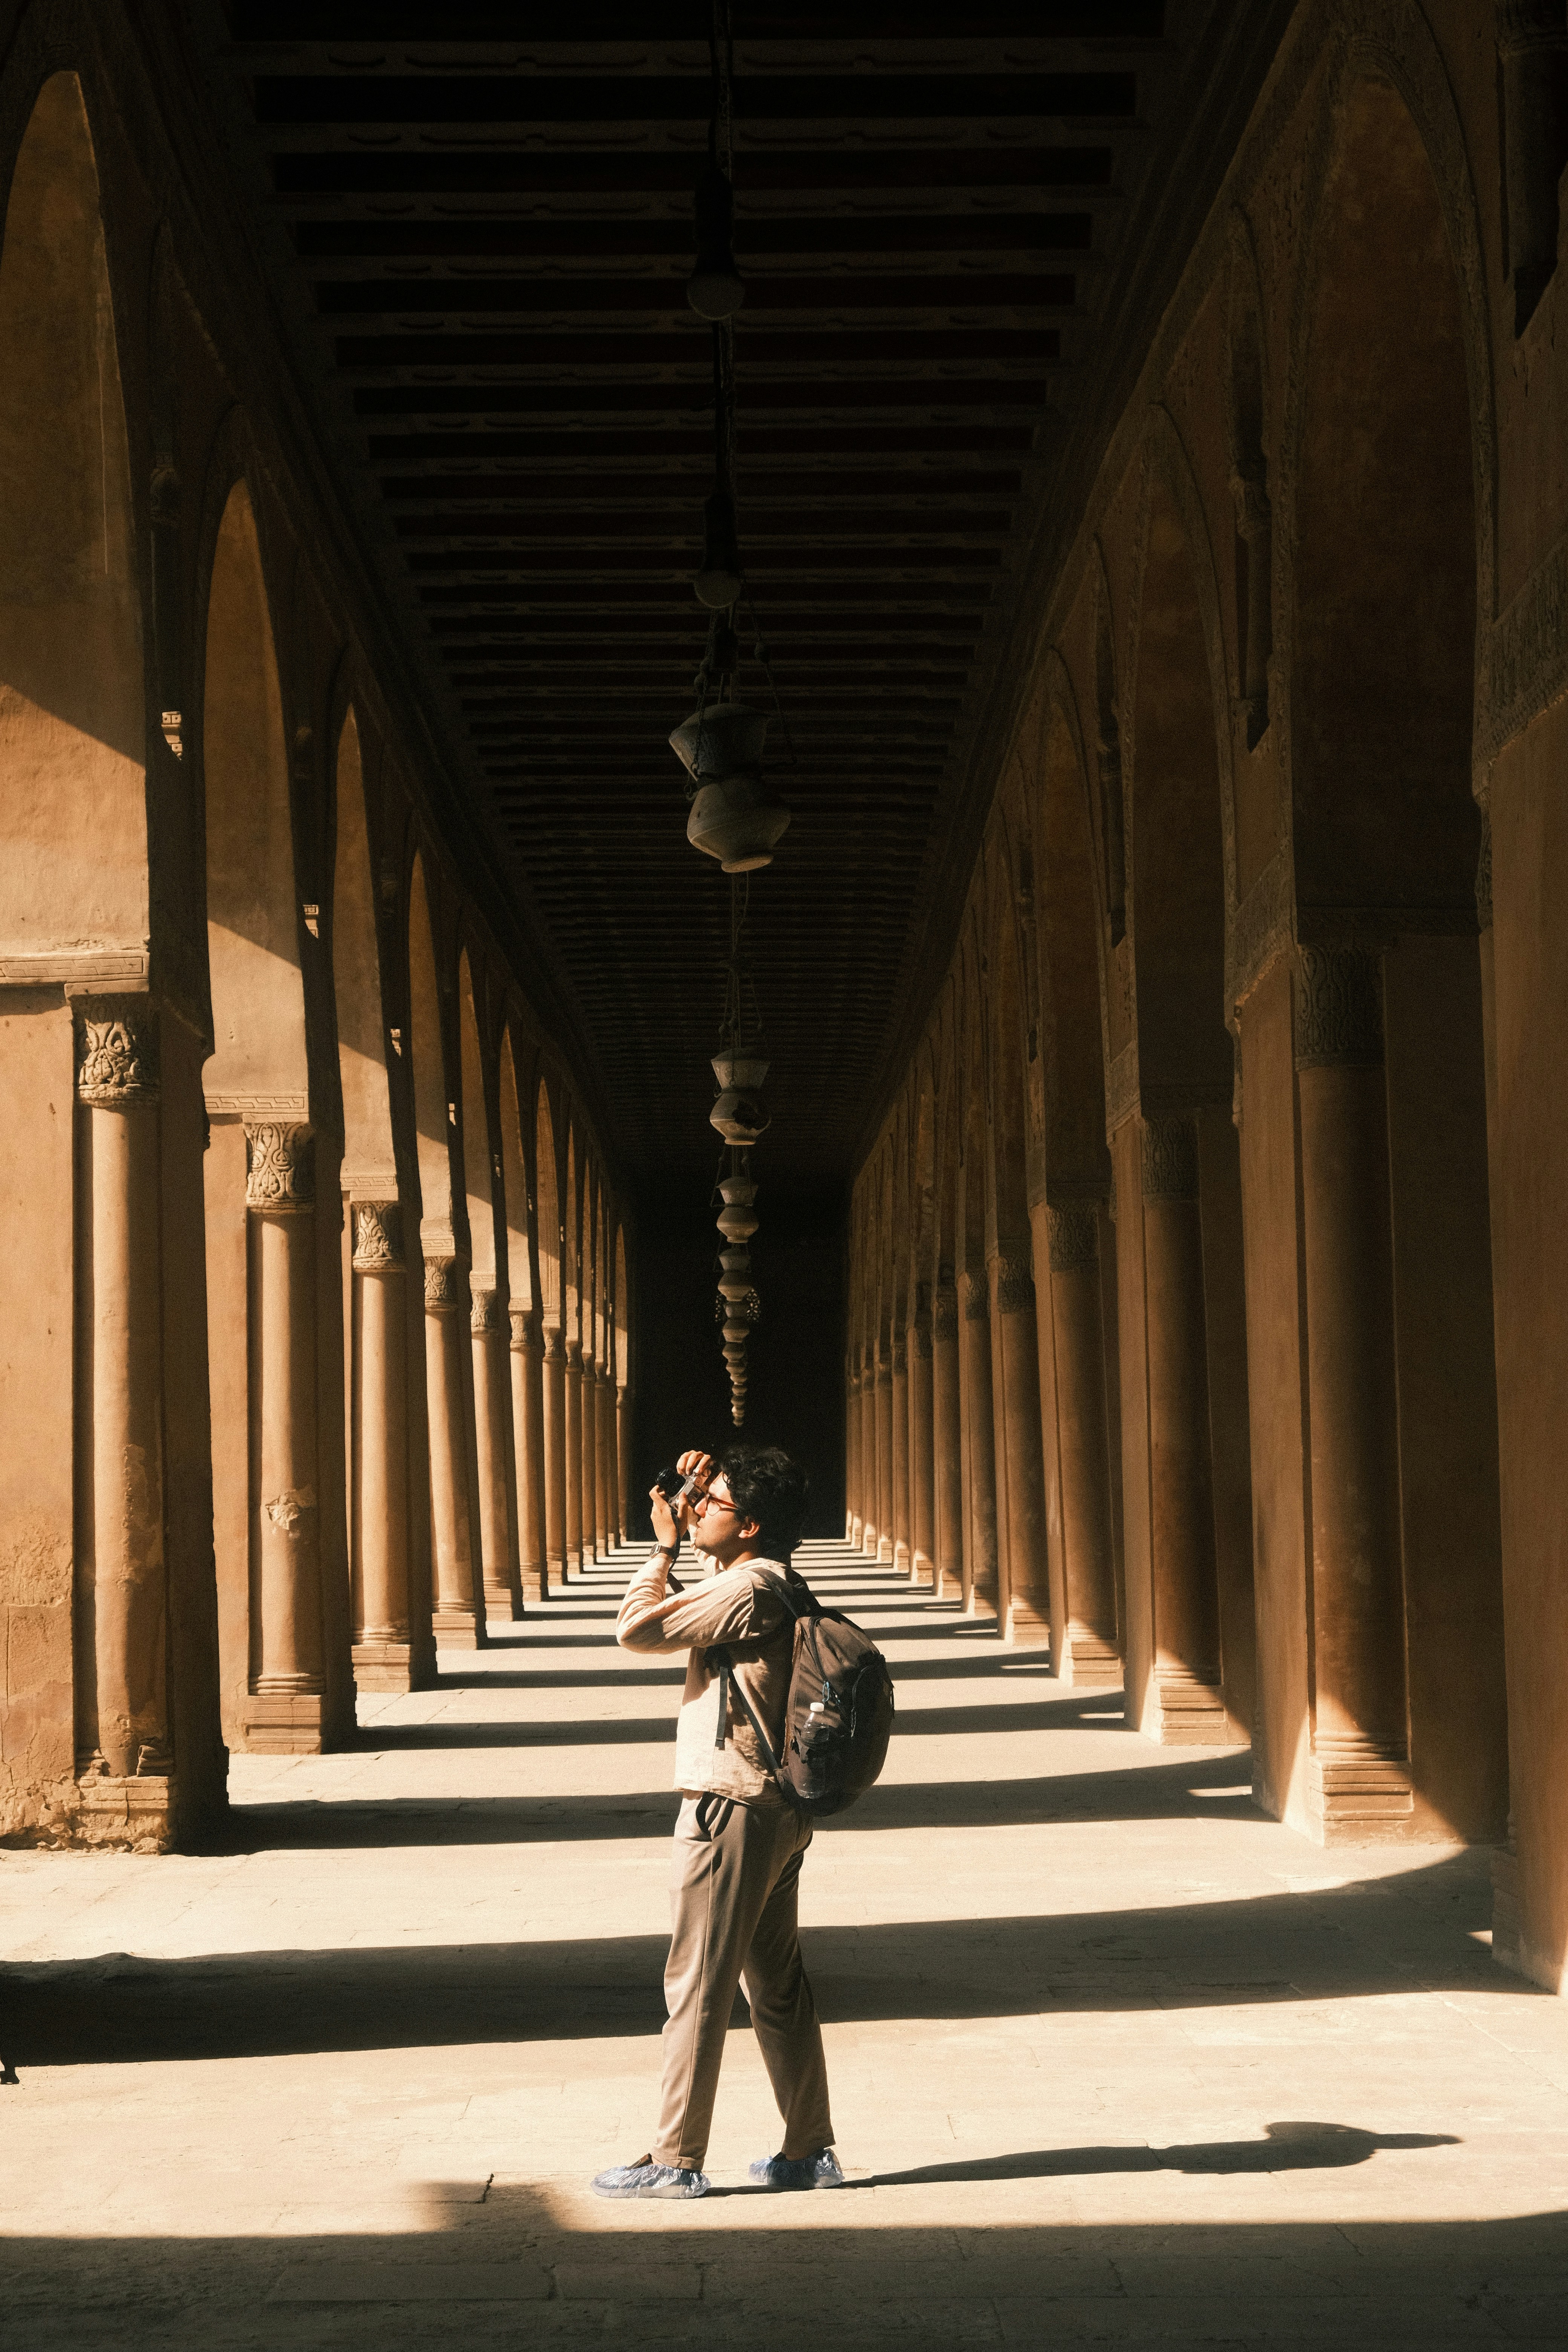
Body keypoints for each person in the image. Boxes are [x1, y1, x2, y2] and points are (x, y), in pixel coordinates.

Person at [590, 1443, 845, 2200]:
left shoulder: (751, 1589)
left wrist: (664, 1546)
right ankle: (807, 2151)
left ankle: (675, 2158)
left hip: (729, 1807)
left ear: (753, 1524)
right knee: (776, 1986)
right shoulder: (768, 1582)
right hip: (774, 1809)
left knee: (697, 1982)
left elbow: (637, 1630)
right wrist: (698, 1504)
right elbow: (721, 1588)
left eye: (715, 1503)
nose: (698, 1509)